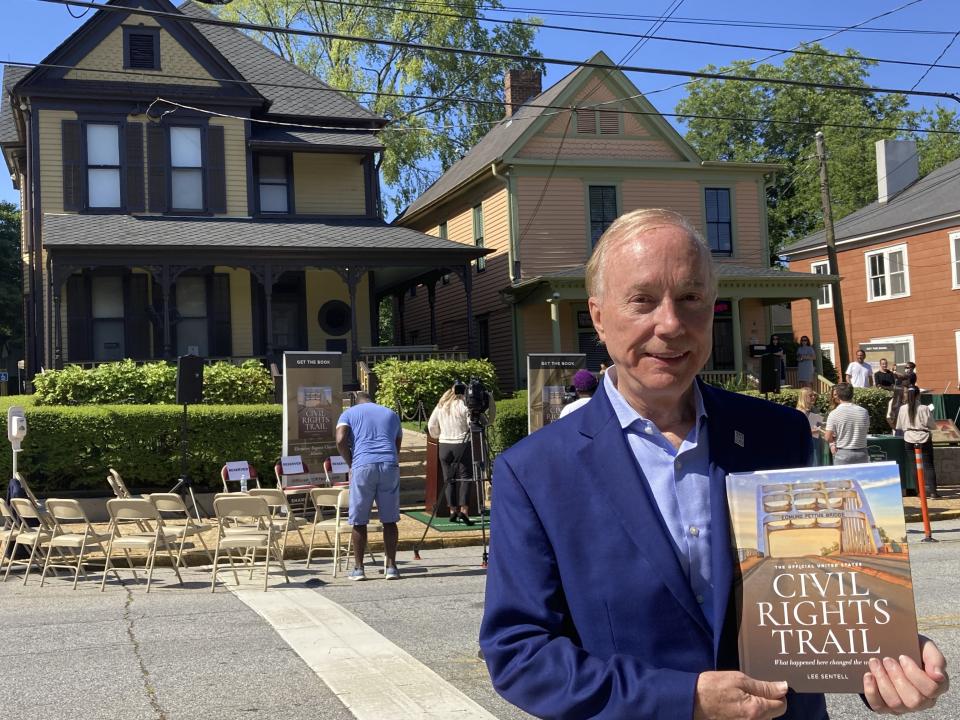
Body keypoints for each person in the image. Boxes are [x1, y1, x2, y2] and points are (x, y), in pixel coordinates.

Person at [479, 208, 947, 719]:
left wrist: (886, 661)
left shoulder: (778, 435)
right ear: (597, 316)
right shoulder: (536, 472)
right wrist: (685, 699)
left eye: (690, 299)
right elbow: (521, 655)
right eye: (642, 301)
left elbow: (826, 602)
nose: (671, 324)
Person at [335, 391, 403, 581]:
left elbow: (340, 439)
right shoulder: (390, 413)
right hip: (389, 463)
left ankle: (359, 568)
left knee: (359, 519)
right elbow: (397, 443)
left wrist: (350, 462)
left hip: (362, 465)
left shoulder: (349, 414)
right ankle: (391, 567)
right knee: (389, 519)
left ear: (354, 403)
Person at [427, 383, 496, 525]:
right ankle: (464, 510)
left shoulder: (441, 405)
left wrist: (439, 435)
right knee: (466, 478)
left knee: (449, 479)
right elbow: (482, 423)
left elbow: (431, 425)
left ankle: (452, 510)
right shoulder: (466, 406)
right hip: (462, 444)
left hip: (445, 445)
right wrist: (490, 400)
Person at [897, 387, 940, 498]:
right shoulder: (924, 408)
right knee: (928, 465)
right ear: (918, 395)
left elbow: (899, 426)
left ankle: (919, 492)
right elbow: (932, 425)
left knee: (914, 466)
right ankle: (933, 492)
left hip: (909, 438)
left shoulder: (902, 408)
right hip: (924, 437)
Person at [824, 382, 871, 465]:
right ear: (852, 394)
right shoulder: (864, 412)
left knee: (842, 478)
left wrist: (833, 443)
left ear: (837, 396)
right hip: (862, 452)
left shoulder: (834, 413)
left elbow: (827, 437)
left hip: (843, 452)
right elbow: (865, 430)